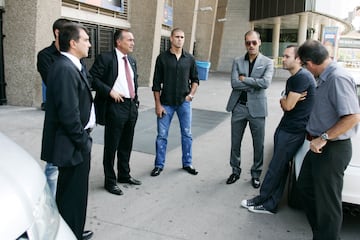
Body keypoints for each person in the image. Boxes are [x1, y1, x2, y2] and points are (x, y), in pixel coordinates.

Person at [296, 39, 360, 240]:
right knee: (305, 187)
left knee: (327, 204)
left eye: (304, 65)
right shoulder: (324, 77)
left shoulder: (337, 78)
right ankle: (322, 235)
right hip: (319, 146)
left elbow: (352, 116)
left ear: (309, 63)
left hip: (332, 148)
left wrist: (323, 137)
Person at [241, 45, 316, 214]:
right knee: (280, 167)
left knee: (276, 166)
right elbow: (289, 104)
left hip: (292, 130)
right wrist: (286, 99)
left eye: (287, 56)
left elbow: (288, 105)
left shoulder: (300, 78)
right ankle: (271, 204)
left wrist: (283, 98)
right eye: (283, 55)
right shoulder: (296, 78)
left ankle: (262, 200)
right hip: (289, 128)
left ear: (298, 59)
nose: (284, 58)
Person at [40, 23, 94, 240]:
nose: (89, 44)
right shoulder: (64, 68)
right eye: (86, 40)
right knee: (71, 196)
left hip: (77, 142)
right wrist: (84, 142)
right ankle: (70, 234)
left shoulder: (74, 65)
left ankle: (75, 232)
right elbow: (68, 115)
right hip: (72, 144)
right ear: (73, 43)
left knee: (75, 195)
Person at [90, 29, 141, 196]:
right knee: (112, 146)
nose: (133, 43)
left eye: (133, 40)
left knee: (127, 144)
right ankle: (110, 181)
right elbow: (93, 78)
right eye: (130, 40)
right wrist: (109, 91)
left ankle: (124, 175)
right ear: (119, 42)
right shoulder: (106, 58)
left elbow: (133, 82)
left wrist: (136, 100)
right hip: (115, 105)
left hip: (131, 106)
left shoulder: (132, 61)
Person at [225, 30, 274, 188]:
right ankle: (235, 171)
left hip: (257, 109)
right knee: (235, 142)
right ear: (245, 43)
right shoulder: (238, 61)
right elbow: (234, 83)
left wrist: (245, 79)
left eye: (254, 42)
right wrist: (254, 83)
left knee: (258, 143)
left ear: (259, 42)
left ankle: (256, 173)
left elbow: (265, 83)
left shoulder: (267, 62)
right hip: (238, 107)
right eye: (248, 42)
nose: (251, 45)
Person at [151, 27, 199, 177]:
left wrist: (191, 95)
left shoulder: (189, 59)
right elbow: (156, 84)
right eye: (177, 36)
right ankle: (159, 165)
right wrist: (158, 105)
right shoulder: (162, 58)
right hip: (166, 103)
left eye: (182, 37)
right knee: (162, 135)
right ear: (171, 38)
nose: (180, 39)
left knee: (187, 134)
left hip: (184, 102)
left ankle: (187, 163)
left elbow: (195, 80)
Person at [37, 18, 70, 197]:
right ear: (57, 33)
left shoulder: (72, 55)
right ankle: (49, 205)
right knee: (53, 165)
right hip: (57, 116)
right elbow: (53, 83)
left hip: (74, 115)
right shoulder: (45, 55)